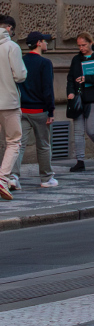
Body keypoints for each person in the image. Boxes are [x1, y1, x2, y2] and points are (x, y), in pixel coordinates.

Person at [67, 33, 94, 172]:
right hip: (79, 99)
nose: (81, 48)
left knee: (92, 130)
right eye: (79, 45)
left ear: (91, 43)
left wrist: (88, 79)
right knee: (78, 132)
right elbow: (70, 78)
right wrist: (70, 92)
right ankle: (80, 161)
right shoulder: (76, 59)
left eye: (84, 45)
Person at [19, 32, 57, 189]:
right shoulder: (45, 63)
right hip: (39, 110)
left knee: (18, 145)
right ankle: (46, 178)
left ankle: (12, 176)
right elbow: (47, 89)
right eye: (45, 41)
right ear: (39, 43)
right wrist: (51, 111)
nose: (46, 43)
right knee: (43, 145)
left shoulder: (20, 60)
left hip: (21, 109)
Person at [0, 15, 27, 200]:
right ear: (9, 28)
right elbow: (20, 75)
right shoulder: (11, 46)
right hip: (8, 102)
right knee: (14, 141)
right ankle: (2, 178)